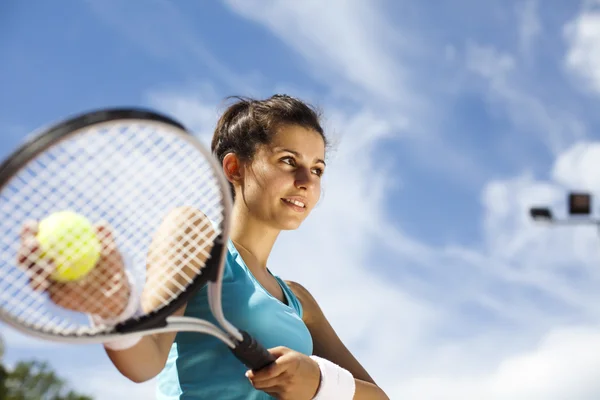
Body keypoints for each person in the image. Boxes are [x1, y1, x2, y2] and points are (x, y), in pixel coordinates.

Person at [18, 94, 390, 399]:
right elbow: (144, 360)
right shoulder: (196, 237)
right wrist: (114, 312)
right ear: (234, 168)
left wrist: (321, 382)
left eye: (318, 169)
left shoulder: (300, 301)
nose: (306, 180)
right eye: (288, 161)